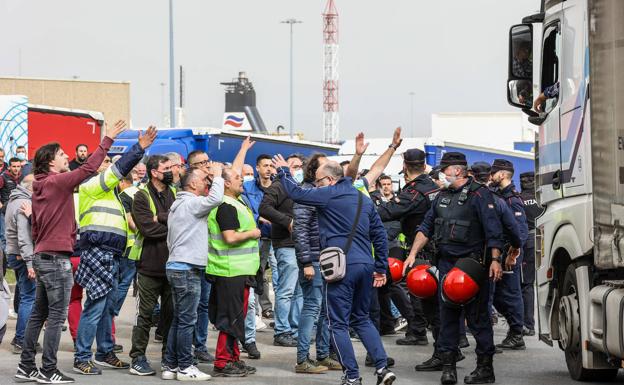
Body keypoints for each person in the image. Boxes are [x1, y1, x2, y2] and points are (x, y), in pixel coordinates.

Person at [15, 120, 126, 384]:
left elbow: (37, 228)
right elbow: (88, 168)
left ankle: (27, 365)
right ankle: (49, 369)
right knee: (55, 317)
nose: (67, 156)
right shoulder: (57, 183)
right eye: (62, 153)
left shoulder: (42, 186)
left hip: (44, 257)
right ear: (51, 162)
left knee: (40, 315)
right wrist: (107, 139)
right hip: (55, 260)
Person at [274, 155, 396, 385]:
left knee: (337, 323)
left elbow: (297, 193)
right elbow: (379, 235)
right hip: (365, 265)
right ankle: (382, 368)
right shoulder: (364, 199)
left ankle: (352, 375)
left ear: (330, 179)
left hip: (341, 267)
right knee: (362, 320)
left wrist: (283, 172)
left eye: (318, 182)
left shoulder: (328, 194)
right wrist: (381, 267)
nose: (316, 185)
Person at [404, 151, 504, 385]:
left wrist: (496, 260)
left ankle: (485, 368)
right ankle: (448, 368)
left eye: (444, 170)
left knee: (478, 320)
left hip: (473, 266)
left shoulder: (480, 195)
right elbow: (426, 228)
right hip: (446, 265)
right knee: (447, 317)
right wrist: (412, 254)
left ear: (457, 170)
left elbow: (493, 231)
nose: (441, 174)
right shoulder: (441, 197)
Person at [73, 126, 157, 375]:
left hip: (112, 255)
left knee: (108, 306)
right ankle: (82, 357)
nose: (107, 165)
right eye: (104, 162)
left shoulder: (114, 196)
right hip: (99, 252)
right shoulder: (91, 186)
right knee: (96, 306)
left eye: (108, 162)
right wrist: (139, 147)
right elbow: (119, 170)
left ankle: (104, 351)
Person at [163, 164, 224, 381]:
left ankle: (170, 365)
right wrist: (217, 176)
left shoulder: (177, 205)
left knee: (180, 319)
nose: (206, 182)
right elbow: (216, 199)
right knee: (187, 320)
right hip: (186, 268)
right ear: (193, 184)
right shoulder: (192, 203)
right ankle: (185, 367)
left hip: (177, 265)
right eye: (202, 179)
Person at [207, 136, 260, 377]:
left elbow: (234, 171)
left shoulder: (233, 200)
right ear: (226, 184)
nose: (243, 180)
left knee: (236, 319)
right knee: (230, 320)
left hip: (239, 271)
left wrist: (242, 150)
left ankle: (234, 358)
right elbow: (229, 237)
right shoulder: (225, 206)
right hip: (230, 271)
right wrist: (254, 232)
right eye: (238, 178)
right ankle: (222, 362)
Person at [291, 152, 341, 373]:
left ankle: (322, 356)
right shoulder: (306, 194)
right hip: (312, 260)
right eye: (324, 168)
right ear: (314, 171)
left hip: (324, 258)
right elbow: (299, 230)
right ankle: (302, 360)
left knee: (323, 310)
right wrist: (306, 262)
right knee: (311, 307)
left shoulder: (321, 194)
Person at [128, 154, 176, 376]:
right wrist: (173, 224)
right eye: (166, 168)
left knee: (170, 314)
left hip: (173, 266)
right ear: (154, 172)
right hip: (149, 266)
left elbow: (182, 220)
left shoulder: (175, 193)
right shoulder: (141, 196)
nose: (171, 171)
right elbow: (147, 229)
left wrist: (161, 217)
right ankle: (137, 357)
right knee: (144, 315)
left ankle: (169, 357)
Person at [259, 154, 304, 348]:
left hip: (302, 245)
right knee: (286, 290)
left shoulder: (300, 188)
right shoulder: (279, 185)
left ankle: (293, 330)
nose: (297, 169)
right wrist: (287, 222)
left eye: (299, 166)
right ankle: (282, 331)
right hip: (286, 245)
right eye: (293, 166)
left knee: (299, 291)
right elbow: (264, 208)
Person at [489, 159, 528, 352]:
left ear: (503, 175)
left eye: (494, 173)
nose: (491, 176)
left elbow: (520, 231)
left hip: (510, 252)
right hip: (502, 251)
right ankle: (515, 327)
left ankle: (516, 333)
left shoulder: (512, 199)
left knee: (511, 294)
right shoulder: (500, 195)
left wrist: (512, 254)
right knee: (495, 294)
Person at [185, 150, 216, 363]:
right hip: (190, 255)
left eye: (207, 161)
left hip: (210, 254)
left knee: (204, 304)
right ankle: (186, 349)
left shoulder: (212, 186)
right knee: (189, 307)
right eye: (200, 163)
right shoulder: (192, 192)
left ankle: (201, 345)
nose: (206, 165)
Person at [5, 174, 35, 354]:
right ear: (31, 187)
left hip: (15, 254)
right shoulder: (24, 204)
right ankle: (21, 339)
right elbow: (24, 236)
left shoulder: (14, 200)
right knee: (29, 298)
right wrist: (30, 261)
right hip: (22, 256)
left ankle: (21, 337)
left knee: (24, 294)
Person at [519, 171, 542, 336]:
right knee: (529, 284)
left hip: (525, 241)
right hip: (541, 240)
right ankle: (529, 323)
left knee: (523, 285)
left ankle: (526, 324)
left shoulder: (519, 199)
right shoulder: (542, 198)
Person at [0, 157, 23, 252]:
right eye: (14, 166)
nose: (16, 169)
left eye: (18, 166)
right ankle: (7, 260)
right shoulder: (2, 177)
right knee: (5, 236)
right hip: (5, 211)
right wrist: (1, 205)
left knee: (18, 236)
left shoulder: (23, 176)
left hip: (20, 211)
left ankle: (14, 259)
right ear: (9, 167)